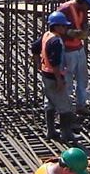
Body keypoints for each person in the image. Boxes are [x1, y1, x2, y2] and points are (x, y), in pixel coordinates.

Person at [32, 12, 77, 142]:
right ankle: (66, 135)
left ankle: (51, 131)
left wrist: (38, 66)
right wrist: (59, 80)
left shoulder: (47, 35)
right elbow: (55, 62)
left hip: (46, 75)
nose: (65, 28)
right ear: (56, 26)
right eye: (63, 26)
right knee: (65, 107)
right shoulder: (56, 41)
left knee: (50, 103)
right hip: (53, 77)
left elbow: (34, 48)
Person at [56, 0, 90, 115]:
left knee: (82, 79)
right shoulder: (65, 9)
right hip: (67, 51)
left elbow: (84, 23)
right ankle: (66, 110)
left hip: (79, 49)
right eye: (89, 7)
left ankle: (81, 105)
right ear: (83, 2)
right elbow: (55, 27)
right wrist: (69, 33)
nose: (89, 10)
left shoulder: (83, 10)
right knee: (67, 81)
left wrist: (85, 31)